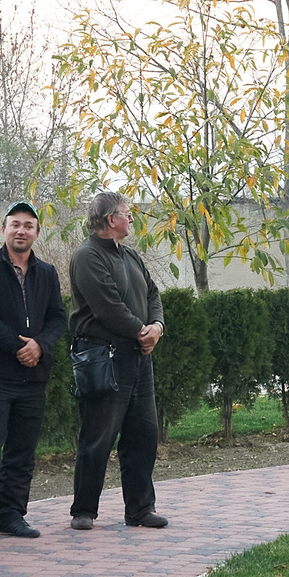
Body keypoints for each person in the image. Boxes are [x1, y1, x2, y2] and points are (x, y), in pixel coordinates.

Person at [0, 202, 67, 545]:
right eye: (15, 224)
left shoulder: (47, 272)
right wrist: (17, 346)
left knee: (23, 449)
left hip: (34, 375)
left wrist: (40, 346)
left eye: (28, 225)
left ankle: (11, 514)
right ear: (3, 229)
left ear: (37, 232)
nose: (21, 230)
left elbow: (57, 317)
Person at [69, 190, 168, 529]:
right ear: (111, 220)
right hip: (104, 357)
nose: (131, 218)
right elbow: (108, 307)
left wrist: (156, 326)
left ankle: (140, 509)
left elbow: (152, 294)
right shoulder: (87, 256)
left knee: (143, 434)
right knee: (98, 436)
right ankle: (84, 510)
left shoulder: (130, 256)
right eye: (127, 213)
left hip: (139, 357)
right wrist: (142, 331)